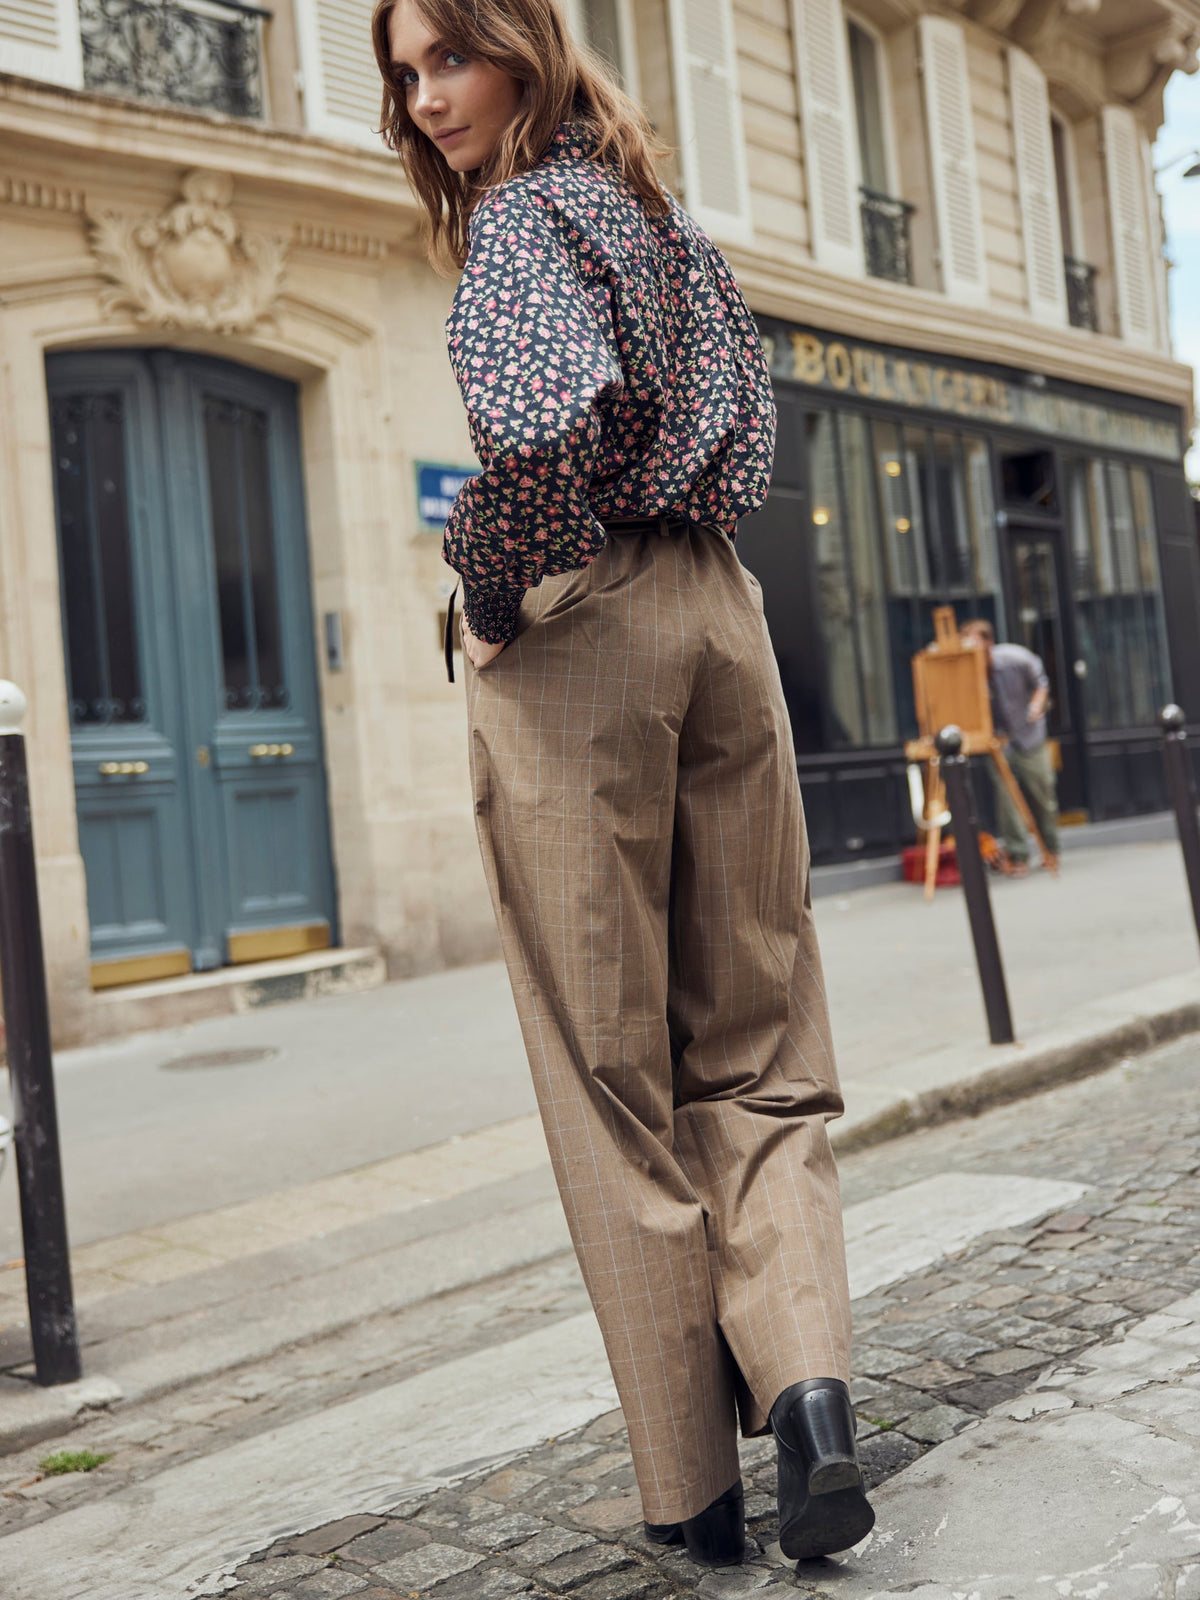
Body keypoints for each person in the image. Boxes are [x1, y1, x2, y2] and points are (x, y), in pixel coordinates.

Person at [371, 0, 874, 1566]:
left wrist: (489, 583)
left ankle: (695, 1493)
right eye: (402, 73)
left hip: (586, 624)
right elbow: (756, 413)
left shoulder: (522, 222)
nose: (423, 99)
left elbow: (545, 425)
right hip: (723, 612)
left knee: (611, 1076)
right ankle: (810, 1401)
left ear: (524, 47)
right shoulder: (661, 217)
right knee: (763, 1044)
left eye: (448, 57)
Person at [960, 619, 1061, 876]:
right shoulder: (966, 672)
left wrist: (1037, 705)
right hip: (999, 743)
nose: (975, 657)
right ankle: (1018, 856)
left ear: (989, 645)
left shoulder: (1015, 659)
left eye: (977, 650)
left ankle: (1051, 849)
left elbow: (1041, 683)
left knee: (1041, 794)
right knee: (1007, 800)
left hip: (1029, 736)